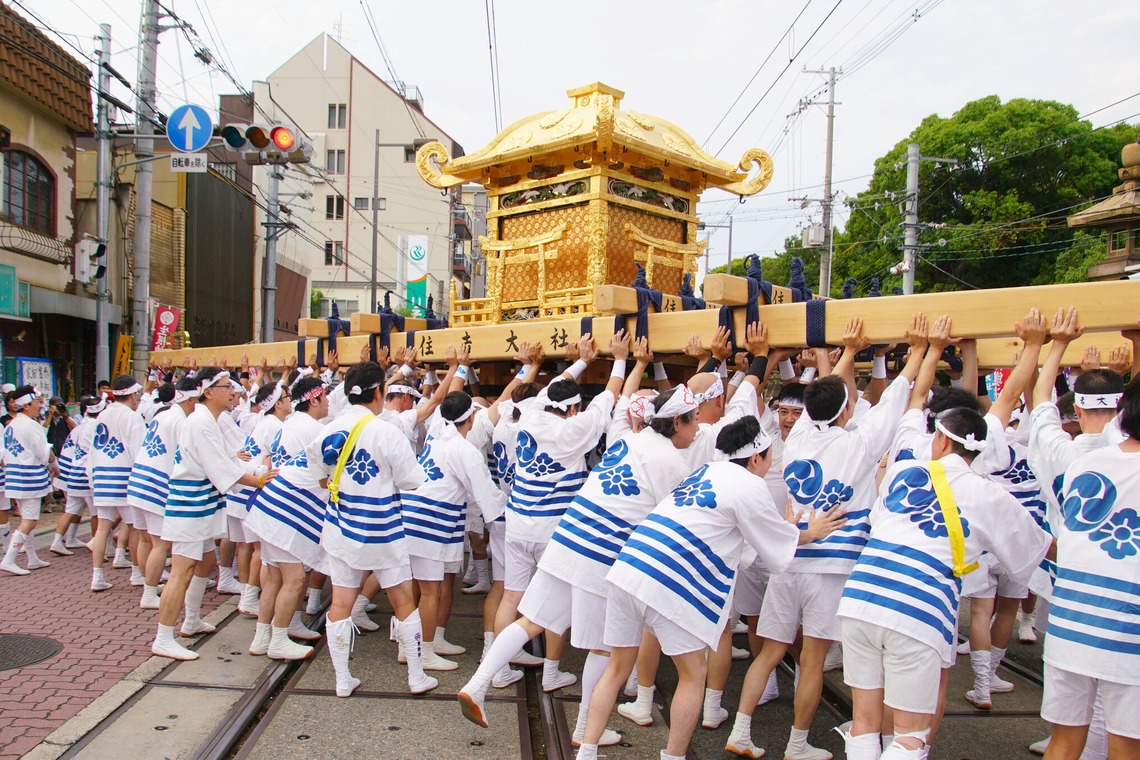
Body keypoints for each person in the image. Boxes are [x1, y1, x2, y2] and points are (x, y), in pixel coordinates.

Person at [575, 416, 844, 760]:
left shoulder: (704, 471)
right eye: (769, 456)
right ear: (756, 458)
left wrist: (786, 530)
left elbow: (743, 544)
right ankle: (672, 757)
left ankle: (586, 752)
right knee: (693, 674)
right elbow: (777, 553)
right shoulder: (750, 485)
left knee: (616, 667)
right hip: (669, 579)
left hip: (630, 568)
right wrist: (809, 531)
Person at [729, 316, 928, 760]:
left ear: (808, 410)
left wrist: (849, 355)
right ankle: (796, 744)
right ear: (845, 410)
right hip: (832, 566)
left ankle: (741, 730)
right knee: (812, 659)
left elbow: (827, 396)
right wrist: (917, 349)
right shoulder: (860, 443)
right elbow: (899, 394)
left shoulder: (797, 437)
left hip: (789, 558)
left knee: (768, 653)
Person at [460, 377, 697, 744]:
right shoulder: (671, 461)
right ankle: (586, 727)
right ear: (677, 422)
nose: (697, 429)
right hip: (601, 554)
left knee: (532, 621)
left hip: (568, 537)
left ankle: (477, 685)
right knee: (604, 647)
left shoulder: (631, 440)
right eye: (693, 420)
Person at [310, 360, 434, 696]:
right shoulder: (386, 431)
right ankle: (416, 676)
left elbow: (319, 476)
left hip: (340, 526)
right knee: (404, 601)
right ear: (379, 391)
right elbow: (412, 480)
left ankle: (341, 679)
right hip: (383, 529)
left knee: (340, 602)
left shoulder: (325, 431)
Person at [1042, 381, 1140, 760]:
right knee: (1126, 746)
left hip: (1069, 621)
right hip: (1127, 628)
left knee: (1063, 743)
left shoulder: (1085, 463)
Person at [151, 368, 275, 660]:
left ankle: (191, 620)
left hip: (201, 503)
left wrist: (259, 471)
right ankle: (163, 636)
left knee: (205, 562)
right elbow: (221, 468)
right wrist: (258, 479)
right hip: (190, 505)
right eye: (226, 386)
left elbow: (227, 459)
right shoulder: (201, 423)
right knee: (181, 570)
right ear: (208, 392)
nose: (233, 391)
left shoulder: (209, 420)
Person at [403, 391, 506, 669]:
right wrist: (509, 513)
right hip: (430, 523)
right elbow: (487, 496)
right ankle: (421, 651)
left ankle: (413, 645)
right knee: (429, 590)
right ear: (470, 417)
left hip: (412, 517)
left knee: (417, 586)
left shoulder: (437, 439)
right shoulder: (464, 449)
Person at [245, 377, 334, 659]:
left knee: (274, 578)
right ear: (315, 399)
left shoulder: (290, 423)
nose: (330, 402)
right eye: (326, 397)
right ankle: (279, 639)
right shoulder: (313, 429)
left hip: (272, 503)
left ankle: (263, 637)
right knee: (294, 578)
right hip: (288, 510)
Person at [127, 378, 198, 608]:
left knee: (146, 538)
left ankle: (147, 580)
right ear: (191, 399)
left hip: (139, 477)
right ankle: (149, 593)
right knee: (160, 544)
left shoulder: (164, 414)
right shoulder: (180, 420)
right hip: (155, 482)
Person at [87, 374, 147, 591]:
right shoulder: (132, 417)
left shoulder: (103, 414)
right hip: (125, 476)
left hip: (102, 474)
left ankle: (97, 576)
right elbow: (138, 450)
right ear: (132, 394)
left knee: (103, 527)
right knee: (134, 527)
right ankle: (136, 572)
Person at [1, 386, 57, 575]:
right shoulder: (30, 425)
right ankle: (9, 559)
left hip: (14, 476)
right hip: (29, 476)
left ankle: (32, 558)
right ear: (25, 405)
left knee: (27, 518)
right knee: (30, 520)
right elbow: (45, 453)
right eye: (36, 402)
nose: (39, 406)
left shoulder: (12, 424)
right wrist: (55, 466)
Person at [49, 395, 104, 556]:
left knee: (71, 510)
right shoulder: (95, 426)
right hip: (86, 475)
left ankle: (57, 540)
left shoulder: (82, 425)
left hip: (74, 472)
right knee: (96, 513)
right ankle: (98, 544)